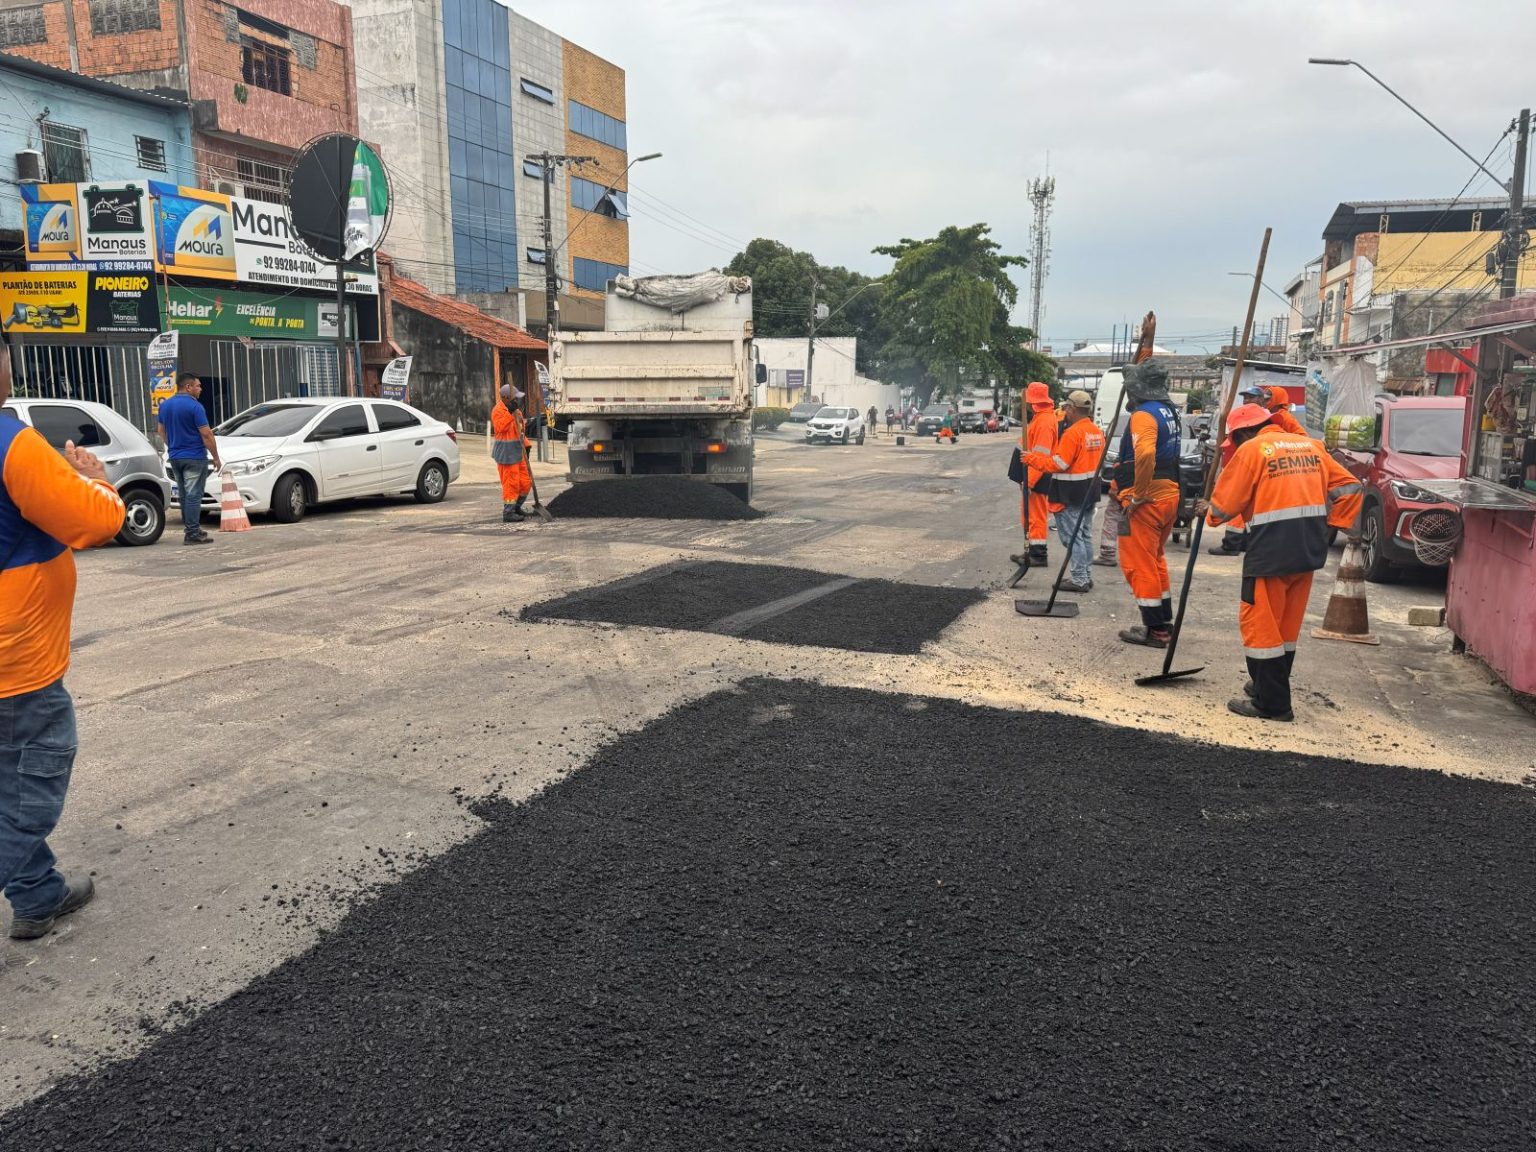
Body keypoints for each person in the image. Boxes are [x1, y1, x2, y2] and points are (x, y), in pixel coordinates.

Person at [1, 346, 126, 939]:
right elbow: (96, 520)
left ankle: (37, 894)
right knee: (33, 785)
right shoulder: (11, 442)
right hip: (15, 664)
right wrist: (97, 482)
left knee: (7, 782)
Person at [1201, 403, 1363, 721]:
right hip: (1308, 549)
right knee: (1285, 626)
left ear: (1245, 433)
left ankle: (1272, 704)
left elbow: (1223, 508)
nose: (1235, 445)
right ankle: (1266, 685)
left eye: (1235, 440)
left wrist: (1209, 510)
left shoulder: (1252, 451)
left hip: (1270, 552)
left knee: (1260, 623)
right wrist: (1335, 524)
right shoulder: (1312, 446)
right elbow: (1352, 487)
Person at [1115, 361, 1183, 647]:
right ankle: (1163, 622)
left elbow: (1144, 454)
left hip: (1148, 501)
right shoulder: (1169, 411)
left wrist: (1137, 494)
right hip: (1169, 495)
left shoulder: (1144, 415)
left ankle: (1156, 631)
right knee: (1155, 560)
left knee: (1139, 565)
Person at [1209, 384, 1308, 556]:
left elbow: (1300, 440)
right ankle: (1238, 542)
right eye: (1245, 397)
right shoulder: (1257, 418)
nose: (1247, 400)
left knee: (1242, 503)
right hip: (1254, 466)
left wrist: (1279, 446)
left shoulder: (1281, 418)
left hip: (1268, 468)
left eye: (1252, 397)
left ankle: (1232, 543)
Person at [1023, 390, 1105, 592]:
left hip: (1071, 494)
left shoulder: (1073, 434)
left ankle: (1079, 579)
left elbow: (1059, 464)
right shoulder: (1095, 431)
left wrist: (1031, 459)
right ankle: (1085, 576)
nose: (1065, 411)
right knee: (1084, 536)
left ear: (1073, 409)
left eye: (1067, 408)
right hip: (1089, 491)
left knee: (1073, 538)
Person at [156, 373, 221, 546]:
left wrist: (172, 445)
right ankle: (192, 533)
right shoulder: (195, 407)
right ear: (188, 387)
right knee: (193, 495)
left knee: (184, 495)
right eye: (198, 386)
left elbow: (161, 430)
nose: (200, 389)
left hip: (175, 457)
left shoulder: (165, 405)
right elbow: (206, 434)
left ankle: (193, 529)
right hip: (194, 457)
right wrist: (216, 457)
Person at [1011, 381, 1057, 568]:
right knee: (1029, 515)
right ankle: (1031, 552)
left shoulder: (1044, 422)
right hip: (1034, 472)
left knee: (1036, 516)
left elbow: (1041, 456)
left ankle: (1038, 555)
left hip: (1038, 474)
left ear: (1034, 402)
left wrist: (1029, 482)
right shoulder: (1041, 418)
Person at [491, 383, 532, 522]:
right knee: (511, 483)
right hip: (506, 454)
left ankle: (516, 507)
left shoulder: (517, 411)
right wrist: (509, 413)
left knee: (526, 482)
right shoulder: (498, 411)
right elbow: (500, 427)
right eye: (515, 398)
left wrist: (527, 445)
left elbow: (520, 431)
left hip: (518, 451)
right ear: (506, 398)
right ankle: (508, 512)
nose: (517, 400)